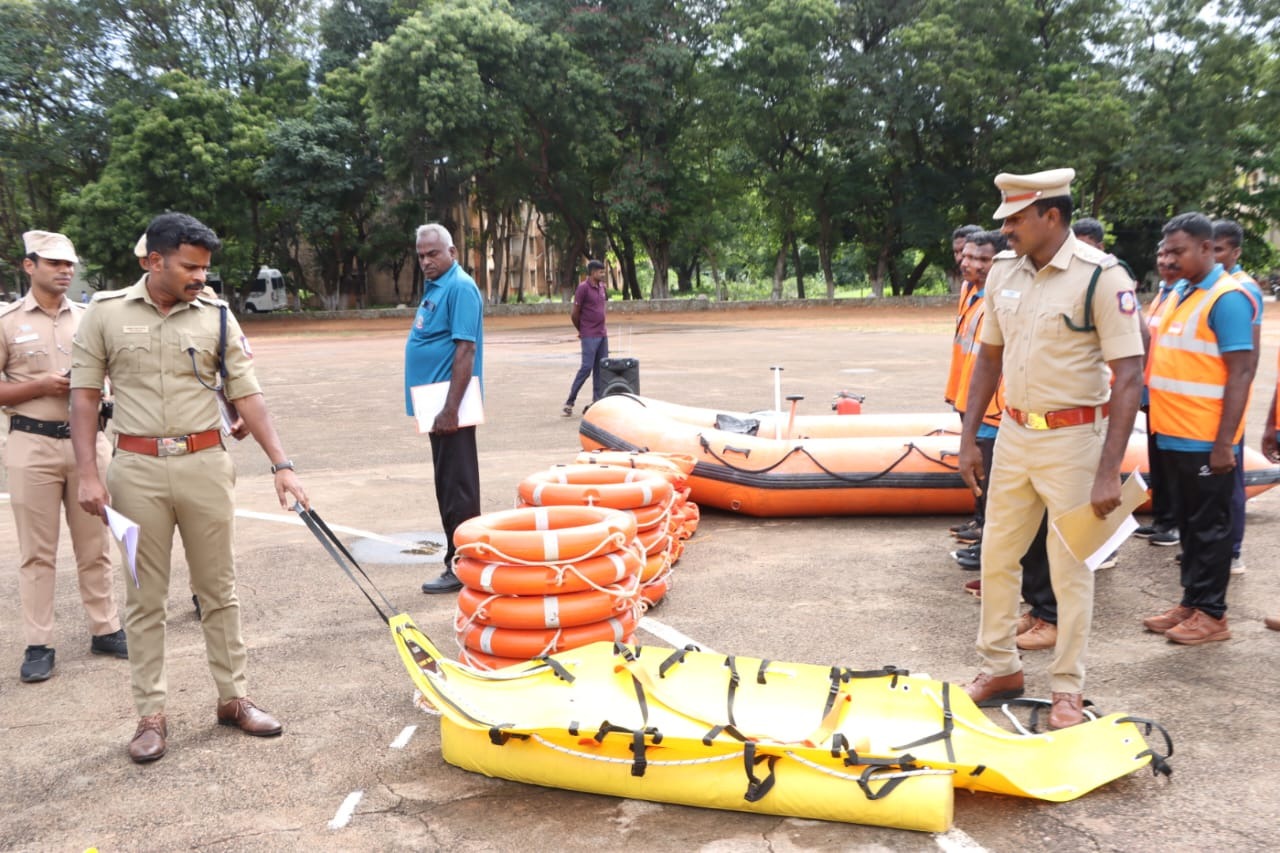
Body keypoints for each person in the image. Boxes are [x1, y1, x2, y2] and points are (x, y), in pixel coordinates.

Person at [70, 212, 309, 764]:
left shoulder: (217, 316)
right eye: (190, 267)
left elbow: (247, 392)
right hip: (134, 472)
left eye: (205, 268)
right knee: (143, 597)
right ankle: (151, 715)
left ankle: (234, 698)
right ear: (154, 261)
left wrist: (282, 463)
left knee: (219, 590)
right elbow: (83, 397)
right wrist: (88, 473)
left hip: (205, 465)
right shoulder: (104, 313)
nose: (201, 277)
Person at [955, 168, 1143, 730]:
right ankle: (1000, 668)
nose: (1006, 230)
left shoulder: (1101, 277)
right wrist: (969, 439)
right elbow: (988, 358)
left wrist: (1109, 471)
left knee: (1070, 568)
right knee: (997, 555)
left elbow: (1129, 377)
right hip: (1014, 435)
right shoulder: (1004, 272)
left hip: (1074, 441)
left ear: (1052, 216)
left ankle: (1067, 688)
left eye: (1016, 218)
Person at [1, 231, 127, 683]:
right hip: (31, 443)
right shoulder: (7, 321)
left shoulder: (90, 318)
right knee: (37, 552)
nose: (65, 270)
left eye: (69, 263)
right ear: (29, 265)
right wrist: (41, 386)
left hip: (88, 443)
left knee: (95, 543)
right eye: (54, 262)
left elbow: (113, 374)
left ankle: (105, 628)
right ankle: (39, 643)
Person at [1142, 213, 1256, 645]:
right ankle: (1191, 602)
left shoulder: (1227, 299)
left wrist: (1225, 443)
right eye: (1165, 251)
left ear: (1207, 249)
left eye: (1179, 251)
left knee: (1210, 528)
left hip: (1205, 438)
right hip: (1172, 432)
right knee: (1190, 526)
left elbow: (1241, 372)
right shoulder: (1180, 292)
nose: (1168, 259)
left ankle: (1212, 614)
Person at [404, 223, 484, 594]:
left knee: (458, 488)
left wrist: (451, 409)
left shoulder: (460, 287)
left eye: (433, 253)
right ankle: (459, 559)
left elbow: (466, 349)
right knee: (447, 485)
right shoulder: (438, 286)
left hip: (450, 408)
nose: (426, 261)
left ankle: (464, 564)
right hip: (436, 407)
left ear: (452, 252)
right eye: (421, 255)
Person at [1212, 219, 1263, 575]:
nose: (1213, 256)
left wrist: (1237, 402)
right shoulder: (1210, 288)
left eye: (1220, 249)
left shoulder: (1244, 290)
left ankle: (1232, 550)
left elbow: (1249, 359)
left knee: (1230, 477)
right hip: (1205, 405)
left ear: (1236, 252)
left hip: (1229, 402)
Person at [1134, 243, 1182, 547]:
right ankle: (1163, 519)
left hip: (1175, 399)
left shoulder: (1183, 296)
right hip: (1154, 392)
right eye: (1160, 255)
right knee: (1158, 461)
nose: (1164, 261)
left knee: (1173, 463)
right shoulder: (1164, 295)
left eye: (1171, 255)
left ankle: (1174, 523)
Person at [562, 260, 610, 417]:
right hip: (589, 335)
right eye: (600, 272)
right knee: (586, 368)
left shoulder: (602, 287)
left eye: (603, 271)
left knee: (601, 369)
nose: (603, 274)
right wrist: (582, 330)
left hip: (602, 334)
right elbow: (575, 314)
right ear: (592, 272)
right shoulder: (583, 288)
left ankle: (597, 401)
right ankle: (570, 401)